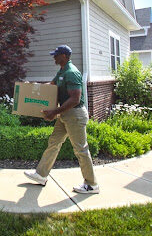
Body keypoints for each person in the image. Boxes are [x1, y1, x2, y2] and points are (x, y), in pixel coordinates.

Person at [24, 45, 99, 194]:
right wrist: (32, 88)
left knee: (81, 149)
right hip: (65, 114)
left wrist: (54, 112)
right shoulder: (62, 72)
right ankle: (41, 175)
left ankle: (91, 185)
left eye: (56, 55)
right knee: (54, 142)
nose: (54, 57)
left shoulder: (71, 73)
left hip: (75, 115)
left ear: (64, 56)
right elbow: (50, 87)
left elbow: (75, 99)